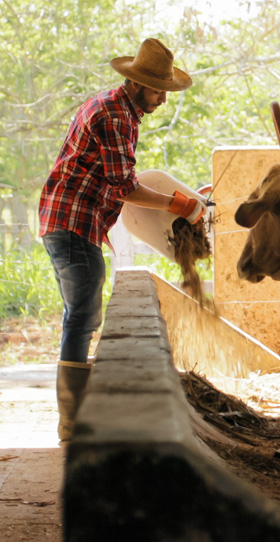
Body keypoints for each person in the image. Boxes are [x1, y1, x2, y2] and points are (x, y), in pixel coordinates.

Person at [39, 38, 206, 441]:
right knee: (82, 318)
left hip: (69, 221)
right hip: (73, 223)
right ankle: (71, 423)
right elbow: (124, 187)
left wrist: (179, 203)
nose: (163, 100)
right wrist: (181, 205)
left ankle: (73, 418)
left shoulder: (112, 105)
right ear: (137, 85)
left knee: (79, 317)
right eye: (158, 91)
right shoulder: (117, 116)